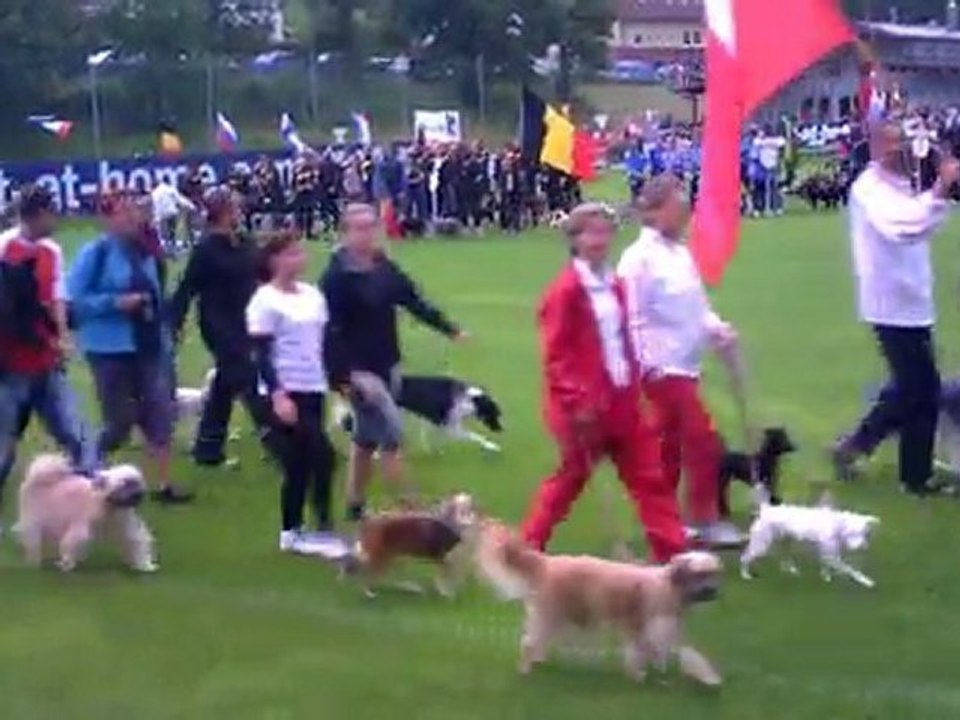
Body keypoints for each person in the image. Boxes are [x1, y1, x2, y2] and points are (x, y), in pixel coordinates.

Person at [520, 202, 687, 563]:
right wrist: (576, 401)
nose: (600, 240)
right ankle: (527, 548)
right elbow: (556, 354)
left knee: (649, 476)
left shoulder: (614, 283)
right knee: (570, 479)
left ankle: (673, 555)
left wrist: (637, 375)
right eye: (591, 232)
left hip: (621, 399)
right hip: (583, 407)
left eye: (605, 231)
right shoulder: (565, 291)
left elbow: (620, 339)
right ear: (575, 239)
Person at [833, 121, 960, 496]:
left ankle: (857, 445)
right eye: (892, 143)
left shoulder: (904, 183)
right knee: (923, 390)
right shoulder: (870, 190)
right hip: (891, 302)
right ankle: (915, 477)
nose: (901, 150)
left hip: (911, 299)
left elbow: (923, 218)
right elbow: (903, 226)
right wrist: (939, 188)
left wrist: (939, 183)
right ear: (875, 147)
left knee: (909, 386)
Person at [618, 176, 744, 547]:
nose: (686, 212)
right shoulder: (637, 260)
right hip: (661, 368)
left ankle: (664, 519)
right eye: (678, 206)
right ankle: (704, 520)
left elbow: (696, 307)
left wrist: (718, 330)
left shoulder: (680, 254)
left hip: (686, 364)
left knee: (668, 447)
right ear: (655, 212)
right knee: (703, 441)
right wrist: (646, 364)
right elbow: (631, 316)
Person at [321, 203, 464, 522]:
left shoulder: (382, 266)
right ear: (344, 233)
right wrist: (343, 378)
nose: (367, 234)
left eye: (372, 226)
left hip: (387, 363)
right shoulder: (336, 278)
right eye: (358, 228)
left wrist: (448, 329)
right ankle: (419, 513)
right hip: (359, 374)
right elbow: (328, 331)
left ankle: (354, 506)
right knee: (392, 440)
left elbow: (412, 300)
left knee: (365, 440)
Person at [68, 193, 192, 504]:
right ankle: (87, 466)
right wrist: (115, 303)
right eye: (123, 213)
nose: (133, 218)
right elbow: (75, 302)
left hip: (147, 344)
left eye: (134, 212)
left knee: (159, 411)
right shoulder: (95, 253)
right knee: (120, 420)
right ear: (107, 220)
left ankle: (161, 484)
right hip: (109, 348)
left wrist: (165, 332)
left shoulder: (145, 252)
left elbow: (155, 295)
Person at [0, 185, 95, 529]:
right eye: (51, 212)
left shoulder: (51, 251)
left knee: (75, 432)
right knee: (4, 442)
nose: (56, 218)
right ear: (35, 215)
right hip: (10, 364)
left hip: (44, 360)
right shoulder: (5, 248)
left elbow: (57, 298)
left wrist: (62, 339)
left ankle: (96, 497)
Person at [248, 232, 336, 553]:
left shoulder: (313, 295)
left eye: (300, 252)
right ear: (274, 261)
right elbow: (260, 352)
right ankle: (300, 527)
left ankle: (307, 527)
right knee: (317, 456)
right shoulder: (264, 300)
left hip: (313, 386)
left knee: (306, 460)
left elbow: (320, 342)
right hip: (286, 389)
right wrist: (277, 394)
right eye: (291, 253)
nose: (299, 258)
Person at [169, 187, 266, 467]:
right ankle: (278, 441)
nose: (240, 210)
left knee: (225, 384)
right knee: (248, 378)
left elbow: (262, 273)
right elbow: (186, 288)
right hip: (220, 323)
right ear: (222, 211)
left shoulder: (245, 242)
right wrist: (174, 324)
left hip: (249, 320)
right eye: (234, 206)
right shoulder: (206, 250)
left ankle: (207, 448)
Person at [150, 178, 195, 254]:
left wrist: (156, 219)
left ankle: (170, 249)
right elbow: (180, 199)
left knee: (165, 235)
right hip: (172, 213)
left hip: (163, 216)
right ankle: (174, 248)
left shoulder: (154, 194)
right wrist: (191, 206)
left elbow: (155, 207)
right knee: (172, 233)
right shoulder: (170, 189)